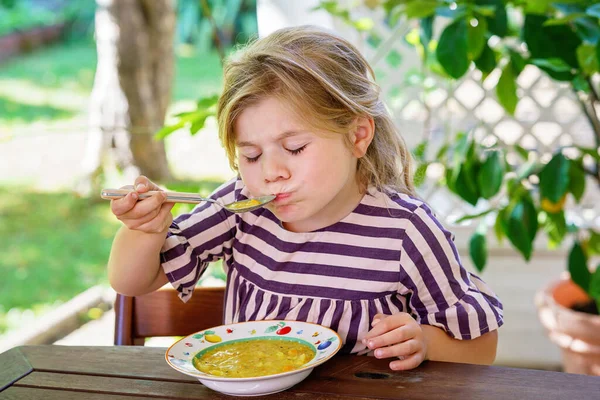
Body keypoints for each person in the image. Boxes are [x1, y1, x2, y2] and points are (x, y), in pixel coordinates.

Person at [107, 25, 503, 371]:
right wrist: (147, 229)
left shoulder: (405, 231)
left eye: (294, 148)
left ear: (358, 136)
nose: (270, 172)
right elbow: (131, 282)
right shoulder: (239, 209)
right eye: (251, 155)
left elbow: (482, 346)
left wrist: (425, 342)